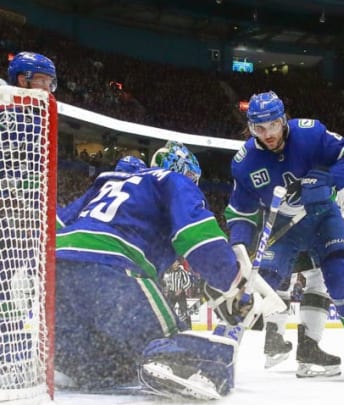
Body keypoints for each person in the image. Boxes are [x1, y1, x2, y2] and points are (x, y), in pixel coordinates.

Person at [54, 141, 256, 399]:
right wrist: (232, 281)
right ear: (184, 170)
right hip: (110, 271)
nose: (193, 184)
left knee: (98, 363)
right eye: (192, 177)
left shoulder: (108, 182)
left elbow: (57, 222)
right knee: (169, 342)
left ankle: (71, 366)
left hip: (58, 269)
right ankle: (171, 361)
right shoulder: (172, 180)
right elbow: (197, 236)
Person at [225, 90, 344, 373]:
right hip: (281, 223)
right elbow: (239, 211)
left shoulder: (310, 134)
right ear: (251, 127)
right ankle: (234, 348)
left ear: (283, 120)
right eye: (259, 128)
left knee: (340, 277)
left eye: (273, 125)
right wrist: (239, 244)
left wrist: (325, 178)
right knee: (266, 281)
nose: (267, 134)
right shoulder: (244, 163)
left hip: (323, 216)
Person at [262, 150, 344, 378]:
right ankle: (278, 338)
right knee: (286, 275)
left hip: (310, 234)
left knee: (314, 277)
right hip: (289, 224)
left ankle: (294, 343)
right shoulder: (332, 169)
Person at [0, 51, 57, 388]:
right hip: (16, 218)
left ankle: (10, 355)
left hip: (17, 218)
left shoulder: (26, 115)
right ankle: (10, 357)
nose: (48, 88)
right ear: (22, 80)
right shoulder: (31, 117)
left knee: (13, 292)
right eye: (43, 81)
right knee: (13, 290)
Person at [163, 258, 193, 331]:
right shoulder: (167, 272)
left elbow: (188, 282)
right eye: (173, 262)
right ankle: (170, 326)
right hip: (171, 293)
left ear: (178, 263)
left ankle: (189, 327)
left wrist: (181, 289)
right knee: (168, 309)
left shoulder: (182, 272)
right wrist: (166, 290)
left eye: (176, 262)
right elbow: (165, 282)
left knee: (184, 310)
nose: (174, 264)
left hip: (180, 294)